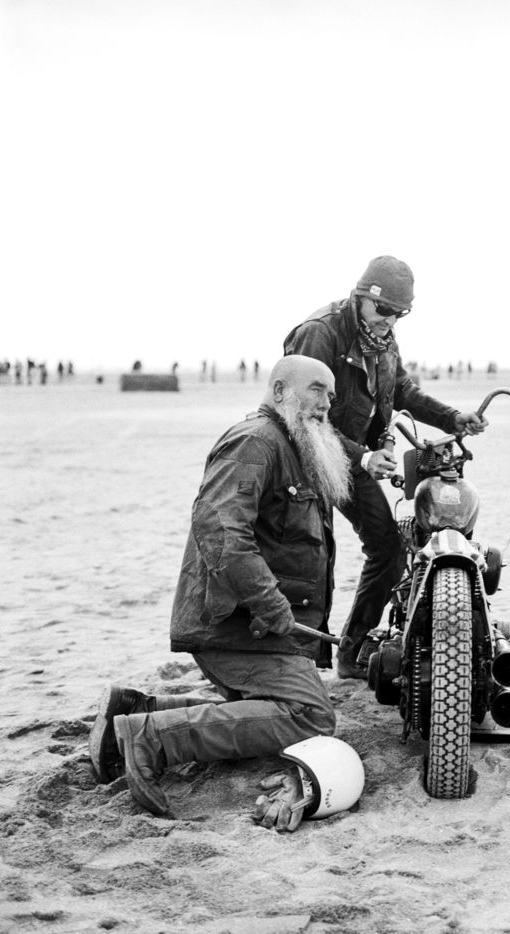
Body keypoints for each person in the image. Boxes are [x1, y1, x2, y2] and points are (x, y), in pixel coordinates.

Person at [89, 356, 356, 830]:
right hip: (235, 624)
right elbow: (220, 529)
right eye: (316, 390)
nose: (325, 404)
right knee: (311, 717)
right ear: (280, 391)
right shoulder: (256, 441)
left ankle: (138, 710)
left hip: (263, 624)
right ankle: (150, 737)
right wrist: (270, 603)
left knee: (265, 711)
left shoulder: (295, 445)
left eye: (331, 396)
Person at [283, 255, 488, 679]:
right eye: (383, 309)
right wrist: (363, 455)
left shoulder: (382, 339)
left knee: (389, 549)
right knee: (306, 558)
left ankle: (350, 651)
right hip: (302, 458)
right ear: (361, 297)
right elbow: (301, 415)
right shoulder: (320, 332)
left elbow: (402, 390)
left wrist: (452, 418)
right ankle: (289, 665)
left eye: (399, 313)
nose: (390, 320)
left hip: (349, 458)